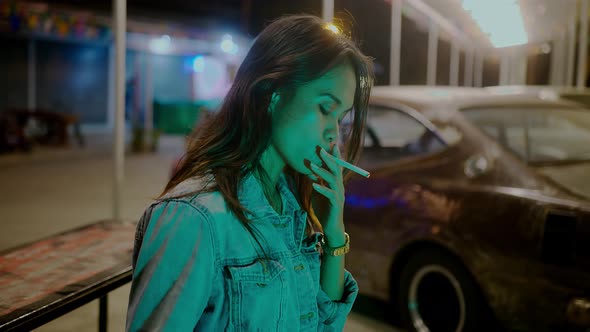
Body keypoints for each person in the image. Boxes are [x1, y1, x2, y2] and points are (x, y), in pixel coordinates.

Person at [126, 14, 374, 331]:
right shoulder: (192, 220)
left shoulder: (289, 206)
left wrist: (334, 233)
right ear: (272, 92)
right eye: (325, 108)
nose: (333, 135)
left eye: (340, 118)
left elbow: (323, 325)